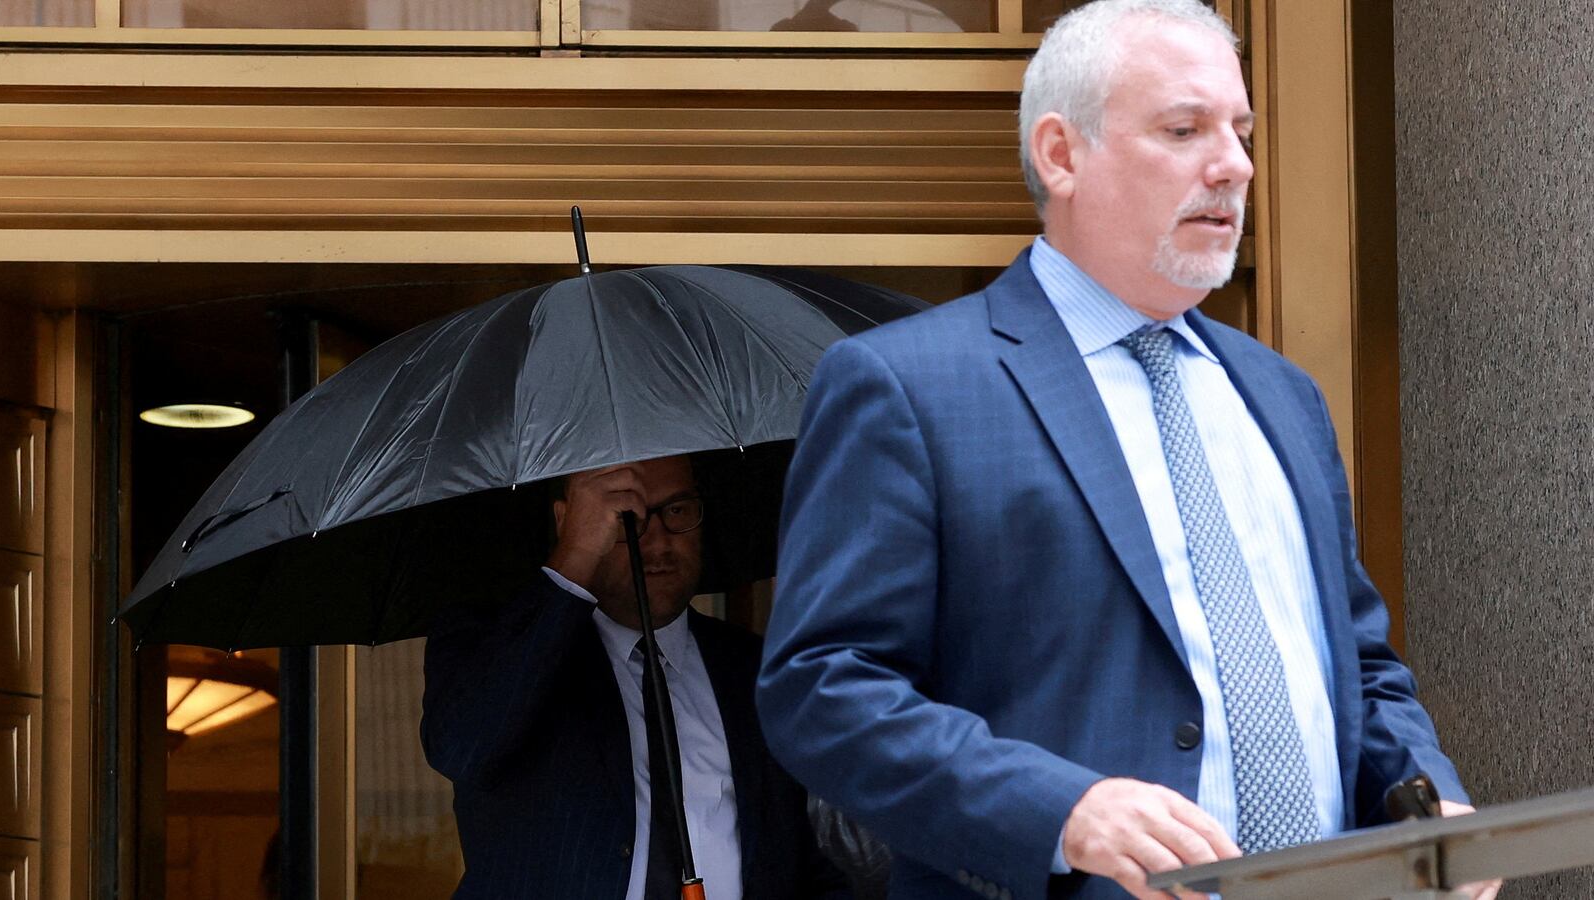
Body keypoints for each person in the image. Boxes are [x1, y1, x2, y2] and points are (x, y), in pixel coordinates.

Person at [756, 2, 1499, 899]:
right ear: (1061, 154)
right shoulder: (906, 386)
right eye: (1184, 130)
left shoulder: (1282, 396)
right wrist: (1061, 813)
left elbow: (1360, 666)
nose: (1234, 166)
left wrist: (1427, 804)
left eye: (1242, 131)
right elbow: (824, 690)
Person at [422, 454, 848, 900]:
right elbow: (463, 747)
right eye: (630, 518)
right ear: (568, 521)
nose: (659, 543)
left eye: (678, 511)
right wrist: (575, 558)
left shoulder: (759, 671)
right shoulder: (498, 645)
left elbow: (821, 862)